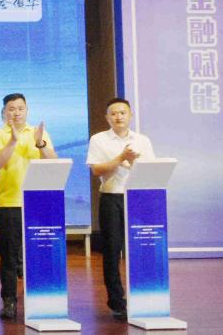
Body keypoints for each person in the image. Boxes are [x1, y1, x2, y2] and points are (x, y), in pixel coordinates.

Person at [0, 92, 57, 320]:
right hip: (10, 202)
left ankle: (41, 298)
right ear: (4, 112)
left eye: (20, 108)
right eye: (11, 108)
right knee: (9, 256)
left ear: (27, 110)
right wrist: (13, 140)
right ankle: (9, 301)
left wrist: (40, 143)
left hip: (38, 202)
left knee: (38, 252)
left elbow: (53, 162)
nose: (16, 112)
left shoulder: (39, 133)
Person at [86, 97, 155, 322]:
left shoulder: (142, 140)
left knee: (140, 248)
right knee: (112, 250)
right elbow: (97, 170)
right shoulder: (99, 140)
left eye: (122, 113)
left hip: (138, 199)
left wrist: (133, 162)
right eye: (113, 113)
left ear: (130, 115)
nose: (118, 117)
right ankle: (117, 302)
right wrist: (121, 158)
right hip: (111, 198)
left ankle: (144, 296)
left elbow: (150, 170)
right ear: (107, 117)